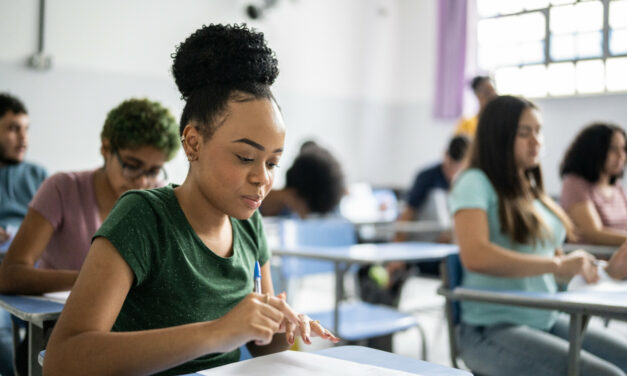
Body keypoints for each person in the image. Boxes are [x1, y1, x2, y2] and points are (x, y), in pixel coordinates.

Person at [43, 24, 339, 376]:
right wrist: (219, 332)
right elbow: (63, 358)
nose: (263, 178)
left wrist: (280, 326)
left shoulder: (249, 225)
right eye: (246, 157)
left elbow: (263, 347)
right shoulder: (143, 217)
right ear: (193, 143)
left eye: (273, 162)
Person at [449, 95, 627, 376]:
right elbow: (475, 255)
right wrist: (557, 265)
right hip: (491, 328)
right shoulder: (474, 182)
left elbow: (552, 265)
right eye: (524, 133)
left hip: (544, 316)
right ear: (499, 136)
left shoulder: (530, 189)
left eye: (539, 131)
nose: (537, 141)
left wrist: (606, 271)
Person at [0, 97, 180, 295]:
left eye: (153, 171)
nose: (142, 182)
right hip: (57, 317)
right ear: (106, 149)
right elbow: (9, 276)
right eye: (132, 166)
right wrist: (100, 278)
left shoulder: (160, 198)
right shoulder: (62, 189)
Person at [0, 93, 47, 376]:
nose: (23, 138)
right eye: (13, 128)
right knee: (1, 335)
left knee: (48, 329)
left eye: (26, 129)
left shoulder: (40, 176)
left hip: (35, 270)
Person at [560, 123, 627, 246]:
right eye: (613, 148)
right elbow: (593, 233)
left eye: (623, 148)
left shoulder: (616, 186)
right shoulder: (574, 183)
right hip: (597, 259)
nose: (621, 155)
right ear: (594, 150)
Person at [395, 134, 469, 243]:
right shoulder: (426, 177)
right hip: (423, 241)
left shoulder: (467, 181)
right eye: (451, 166)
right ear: (445, 154)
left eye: (458, 168)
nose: (452, 173)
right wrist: (398, 246)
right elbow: (409, 212)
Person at [260, 142, 346, 219]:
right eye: (308, 212)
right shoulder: (252, 218)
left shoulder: (287, 213)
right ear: (294, 198)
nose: (305, 217)